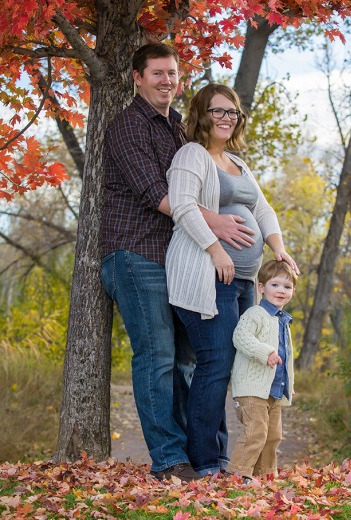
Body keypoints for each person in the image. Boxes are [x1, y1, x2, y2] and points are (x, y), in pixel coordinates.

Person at [100, 45, 254, 482]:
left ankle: (197, 455)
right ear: (137, 77)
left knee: (191, 359)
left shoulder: (178, 133)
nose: (166, 81)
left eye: (172, 74)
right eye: (157, 73)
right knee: (158, 357)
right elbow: (158, 195)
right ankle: (168, 459)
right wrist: (217, 226)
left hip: (178, 261)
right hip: (134, 255)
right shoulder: (128, 125)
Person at [165, 83, 300, 476]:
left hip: (243, 280)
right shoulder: (192, 155)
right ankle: (208, 460)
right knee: (216, 362)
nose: (226, 118)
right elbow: (183, 207)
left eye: (232, 112)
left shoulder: (239, 164)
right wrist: (215, 248)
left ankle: (238, 456)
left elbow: (263, 208)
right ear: (202, 115)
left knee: (242, 364)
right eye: (218, 111)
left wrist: (277, 247)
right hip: (209, 275)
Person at [227, 260, 297, 481]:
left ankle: (265, 476)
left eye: (287, 287)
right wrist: (264, 352)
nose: (281, 291)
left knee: (273, 436)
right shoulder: (255, 314)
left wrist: (289, 383)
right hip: (252, 388)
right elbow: (240, 337)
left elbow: (285, 358)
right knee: (255, 432)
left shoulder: (282, 321)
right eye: (275, 285)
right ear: (261, 287)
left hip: (273, 390)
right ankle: (239, 474)